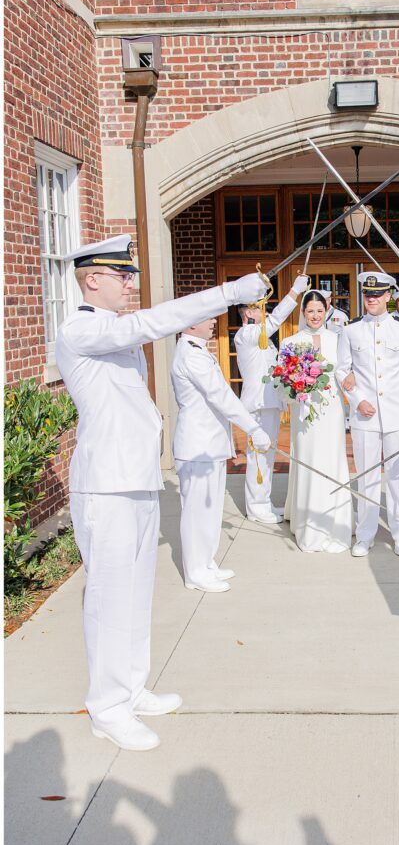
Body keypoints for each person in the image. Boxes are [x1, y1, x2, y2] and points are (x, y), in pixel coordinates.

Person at [55, 235, 268, 752]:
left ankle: (130, 687)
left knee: (136, 590)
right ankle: (107, 706)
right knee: (108, 596)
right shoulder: (80, 328)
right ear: (92, 279)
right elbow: (150, 323)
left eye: (130, 275)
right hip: (105, 483)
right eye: (122, 275)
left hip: (137, 477)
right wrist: (225, 293)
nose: (131, 283)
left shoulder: (115, 332)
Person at [171, 317, 269, 593]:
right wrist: (252, 427)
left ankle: (206, 562)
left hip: (209, 444)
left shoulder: (199, 349)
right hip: (197, 445)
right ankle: (195, 572)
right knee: (197, 512)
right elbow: (220, 396)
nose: (214, 321)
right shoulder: (191, 354)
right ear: (190, 324)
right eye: (207, 317)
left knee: (211, 509)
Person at [335, 271, 399, 557]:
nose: (371, 299)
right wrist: (357, 400)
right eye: (367, 294)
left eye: (377, 294)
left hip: (398, 415)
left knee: (397, 478)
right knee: (367, 477)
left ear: (389, 296)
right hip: (365, 417)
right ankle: (365, 535)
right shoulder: (350, 330)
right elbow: (341, 369)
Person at [282, 290, 354, 552]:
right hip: (305, 413)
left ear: (327, 312)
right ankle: (307, 523)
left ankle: (336, 521)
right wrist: (297, 385)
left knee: (332, 459)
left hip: (332, 410)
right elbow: (283, 380)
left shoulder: (338, 339)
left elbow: (346, 373)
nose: (315, 316)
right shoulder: (290, 341)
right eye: (310, 311)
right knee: (308, 460)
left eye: (319, 311)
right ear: (303, 313)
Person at [235, 274, 309, 523]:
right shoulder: (247, 335)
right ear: (247, 313)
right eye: (258, 308)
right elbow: (276, 320)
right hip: (257, 403)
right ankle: (256, 508)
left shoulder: (259, 335)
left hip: (269, 403)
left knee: (267, 454)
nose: (264, 312)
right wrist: (294, 293)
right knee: (259, 453)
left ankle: (263, 502)